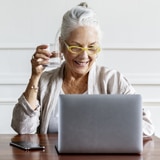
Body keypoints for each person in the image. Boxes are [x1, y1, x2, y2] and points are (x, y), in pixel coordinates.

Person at [11, 2, 154, 137]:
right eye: (76, 47)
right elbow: (23, 129)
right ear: (62, 45)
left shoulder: (113, 80)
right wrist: (35, 76)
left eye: (92, 47)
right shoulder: (45, 82)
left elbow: (146, 127)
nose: (84, 56)